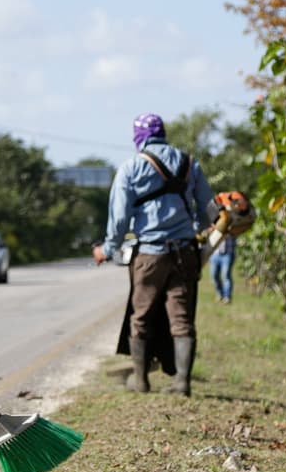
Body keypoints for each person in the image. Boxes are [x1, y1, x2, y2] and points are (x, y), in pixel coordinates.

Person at [92, 113, 215, 396]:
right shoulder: (190, 164)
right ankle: (182, 383)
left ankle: (141, 381)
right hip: (185, 253)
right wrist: (196, 231)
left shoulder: (131, 167)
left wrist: (107, 249)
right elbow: (208, 210)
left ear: (139, 137)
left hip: (149, 254)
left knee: (141, 316)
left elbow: (119, 219)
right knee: (182, 319)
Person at [209, 233, 235, 304]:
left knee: (226, 275)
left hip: (227, 253)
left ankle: (227, 297)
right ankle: (220, 293)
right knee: (214, 275)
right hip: (214, 253)